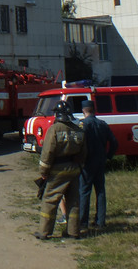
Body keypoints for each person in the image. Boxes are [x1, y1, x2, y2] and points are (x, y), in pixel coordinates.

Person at [35, 101, 86, 240]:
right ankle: (73, 232)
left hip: (57, 171)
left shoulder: (54, 130)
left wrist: (44, 172)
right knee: (73, 201)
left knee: (50, 200)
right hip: (74, 171)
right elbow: (83, 154)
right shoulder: (79, 130)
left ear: (57, 114)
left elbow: (47, 153)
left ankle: (44, 232)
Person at [79, 99, 118, 231]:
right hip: (100, 161)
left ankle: (83, 221)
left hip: (87, 162)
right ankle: (100, 221)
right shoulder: (103, 124)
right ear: (94, 110)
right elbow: (114, 142)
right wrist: (108, 156)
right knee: (100, 191)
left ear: (83, 110)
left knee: (84, 191)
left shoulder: (82, 125)